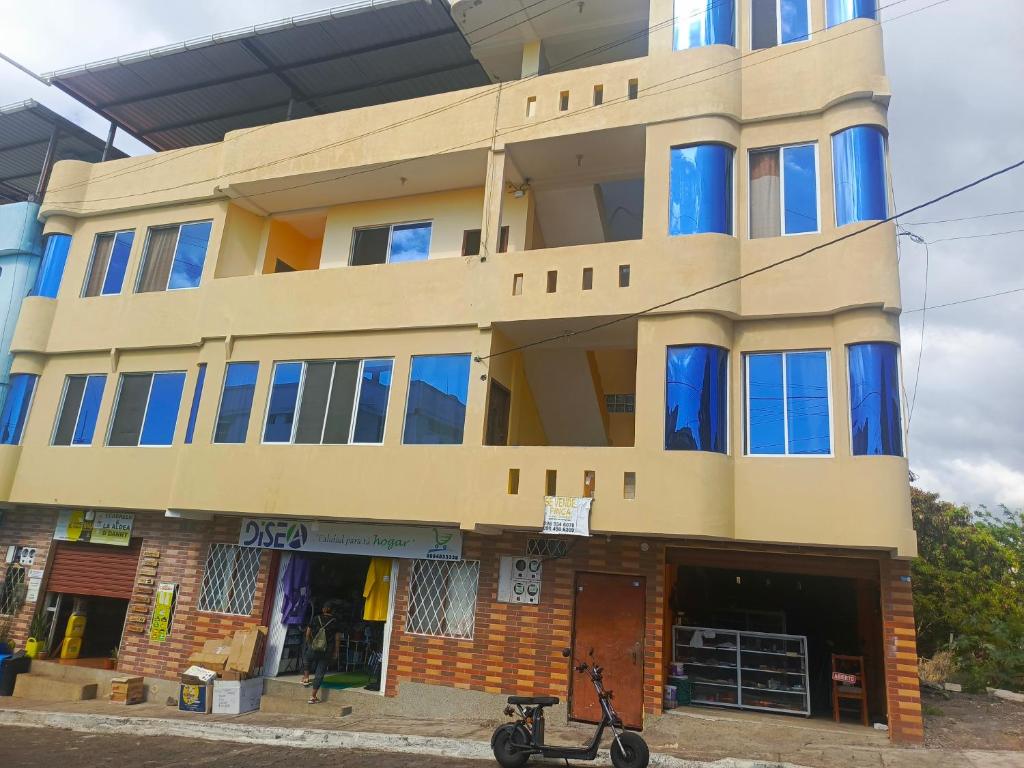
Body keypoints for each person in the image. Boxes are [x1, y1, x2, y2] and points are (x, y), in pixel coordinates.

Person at [301, 603, 340, 704]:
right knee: (320, 672)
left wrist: (310, 644)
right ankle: (313, 696)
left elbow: (308, 633)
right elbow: (337, 639)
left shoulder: (315, 618)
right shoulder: (335, 622)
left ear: (324, 609)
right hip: (327, 651)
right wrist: (336, 651)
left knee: (307, 658)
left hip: (314, 647)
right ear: (332, 610)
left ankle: (306, 677)